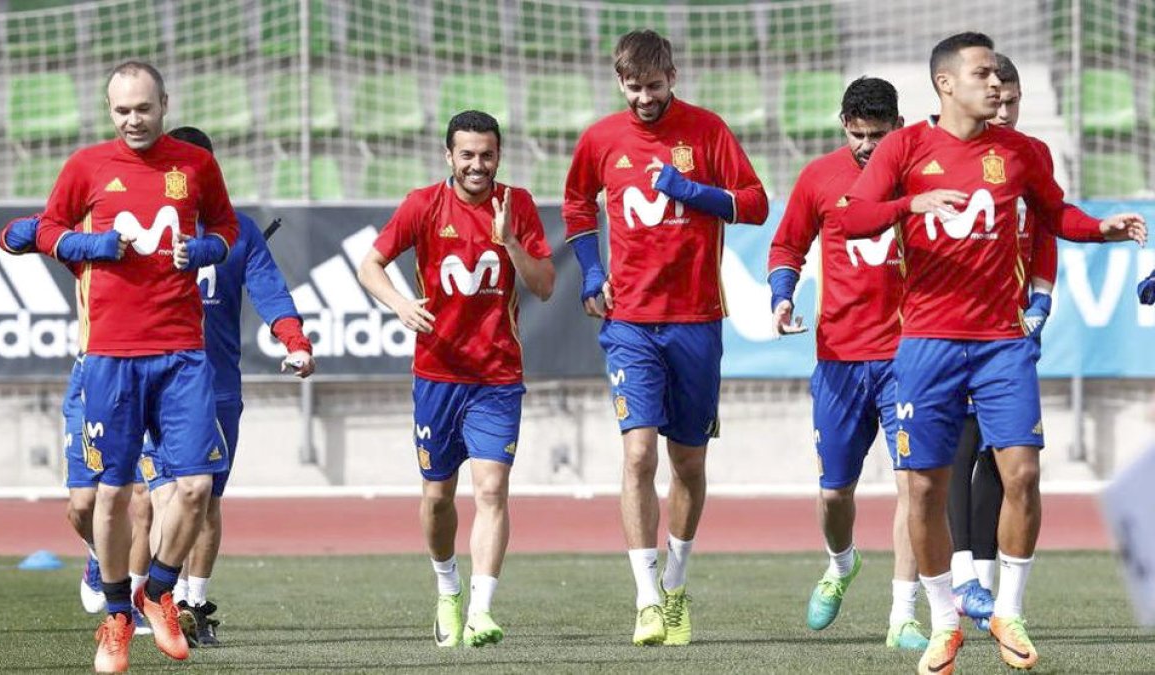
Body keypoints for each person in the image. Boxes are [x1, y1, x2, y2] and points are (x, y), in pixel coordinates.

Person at [838, 32, 1146, 674]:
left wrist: (1101, 229)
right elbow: (855, 220)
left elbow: (1057, 216)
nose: (996, 85)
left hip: (1003, 341)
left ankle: (1008, 611)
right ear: (946, 83)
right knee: (923, 487)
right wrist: (909, 202)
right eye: (983, 74)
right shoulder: (904, 146)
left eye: (999, 76)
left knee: (1024, 474)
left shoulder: (1023, 152)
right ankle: (946, 622)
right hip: (926, 343)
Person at [563, 29, 768, 646]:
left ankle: (676, 584)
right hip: (629, 323)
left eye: (654, 85)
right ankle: (647, 597)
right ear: (619, 81)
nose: (644, 97)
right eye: (634, 86)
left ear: (672, 76)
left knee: (689, 463)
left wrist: (691, 191)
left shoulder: (706, 131)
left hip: (697, 319)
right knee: (637, 455)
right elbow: (577, 205)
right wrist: (593, 270)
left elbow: (756, 204)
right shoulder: (601, 138)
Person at [35, 60, 239, 674]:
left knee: (198, 488)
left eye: (143, 108)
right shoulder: (86, 166)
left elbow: (227, 227)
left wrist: (202, 248)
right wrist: (89, 245)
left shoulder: (195, 165)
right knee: (109, 494)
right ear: (109, 110)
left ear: (164, 104)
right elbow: (46, 229)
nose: (133, 120)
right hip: (109, 357)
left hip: (181, 352)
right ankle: (119, 617)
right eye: (121, 110)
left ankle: (160, 590)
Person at [357, 110, 554, 648]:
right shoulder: (423, 204)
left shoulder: (518, 205)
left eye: (486, 154)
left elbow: (544, 285)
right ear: (449, 156)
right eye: (466, 154)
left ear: (499, 155)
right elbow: (369, 265)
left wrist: (511, 240)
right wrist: (399, 303)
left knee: (491, 490)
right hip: (437, 376)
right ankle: (447, 589)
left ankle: (481, 610)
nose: (477, 164)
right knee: (438, 496)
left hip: (497, 377)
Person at [131, 126, 316, 648]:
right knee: (168, 492)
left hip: (218, 388)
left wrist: (294, 340)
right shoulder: (144, 226)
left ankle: (192, 602)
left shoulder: (239, 231)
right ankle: (154, 599)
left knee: (207, 498)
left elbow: (271, 291)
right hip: (159, 381)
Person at [767, 76, 928, 650]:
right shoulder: (819, 177)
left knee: (915, 485)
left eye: (877, 135)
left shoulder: (923, 175)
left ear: (898, 128)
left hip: (909, 357)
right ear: (843, 125)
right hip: (838, 357)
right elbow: (787, 246)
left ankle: (903, 614)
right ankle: (841, 564)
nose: (865, 145)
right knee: (835, 493)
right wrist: (781, 295)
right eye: (857, 133)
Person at [0, 214, 171, 638]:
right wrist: (92, 243)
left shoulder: (168, 226)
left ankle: (133, 602)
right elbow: (11, 238)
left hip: (153, 374)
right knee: (82, 506)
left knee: (144, 497)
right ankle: (98, 554)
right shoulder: (91, 230)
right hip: (93, 375)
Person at [945, 53, 1059, 632]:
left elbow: (1046, 233)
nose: (1006, 108)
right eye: (999, 96)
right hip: (949, 329)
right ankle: (959, 577)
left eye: (1015, 100)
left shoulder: (1030, 156)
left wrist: (1040, 297)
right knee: (955, 450)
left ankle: (985, 590)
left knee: (1006, 457)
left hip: (1009, 332)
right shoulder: (942, 150)